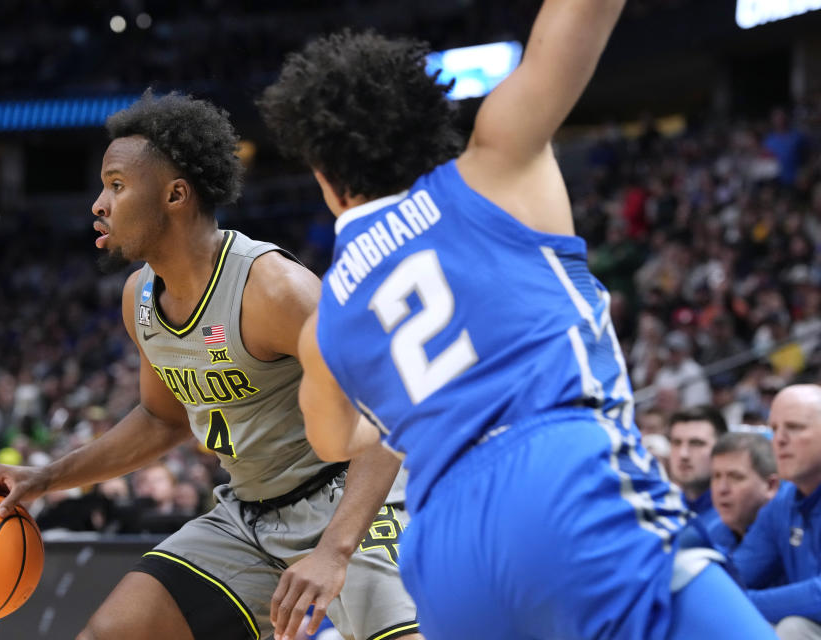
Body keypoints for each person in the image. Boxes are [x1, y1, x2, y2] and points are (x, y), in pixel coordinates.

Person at [257, 4, 778, 639]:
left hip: (445, 545)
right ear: (429, 122)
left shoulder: (326, 323)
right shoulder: (495, 165)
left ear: (325, 176)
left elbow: (336, 444)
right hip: (558, 474)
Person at [0, 92, 420, 640]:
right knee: (110, 634)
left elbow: (388, 409)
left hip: (352, 502)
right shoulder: (138, 298)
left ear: (175, 195)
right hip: (249, 516)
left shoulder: (272, 288)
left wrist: (335, 551)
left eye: (116, 185)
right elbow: (162, 419)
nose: (99, 203)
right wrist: (47, 477)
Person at [733, 384, 821, 638]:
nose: (778, 440)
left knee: (794, 629)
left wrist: (742, 602)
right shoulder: (781, 504)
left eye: (794, 427)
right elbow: (738, 575)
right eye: (774, 429)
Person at [708, 432, 779, 553]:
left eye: (735, 477)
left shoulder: (783, 535)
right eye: (716, 476)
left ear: (770, 485)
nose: (722, 489)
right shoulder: (712, 533)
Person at [669, 405, 729, 522]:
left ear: (722, 449)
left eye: (696, 443)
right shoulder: (658, 509)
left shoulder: (737, 517)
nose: (683, 454)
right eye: (676, 443)